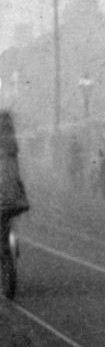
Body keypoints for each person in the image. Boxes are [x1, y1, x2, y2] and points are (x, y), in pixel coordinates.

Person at [1, 112, 28, 299]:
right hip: (13, 201)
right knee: (6, 224)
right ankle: (9, 251)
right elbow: (15, 174)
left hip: (6, 200)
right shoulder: (11, 147)